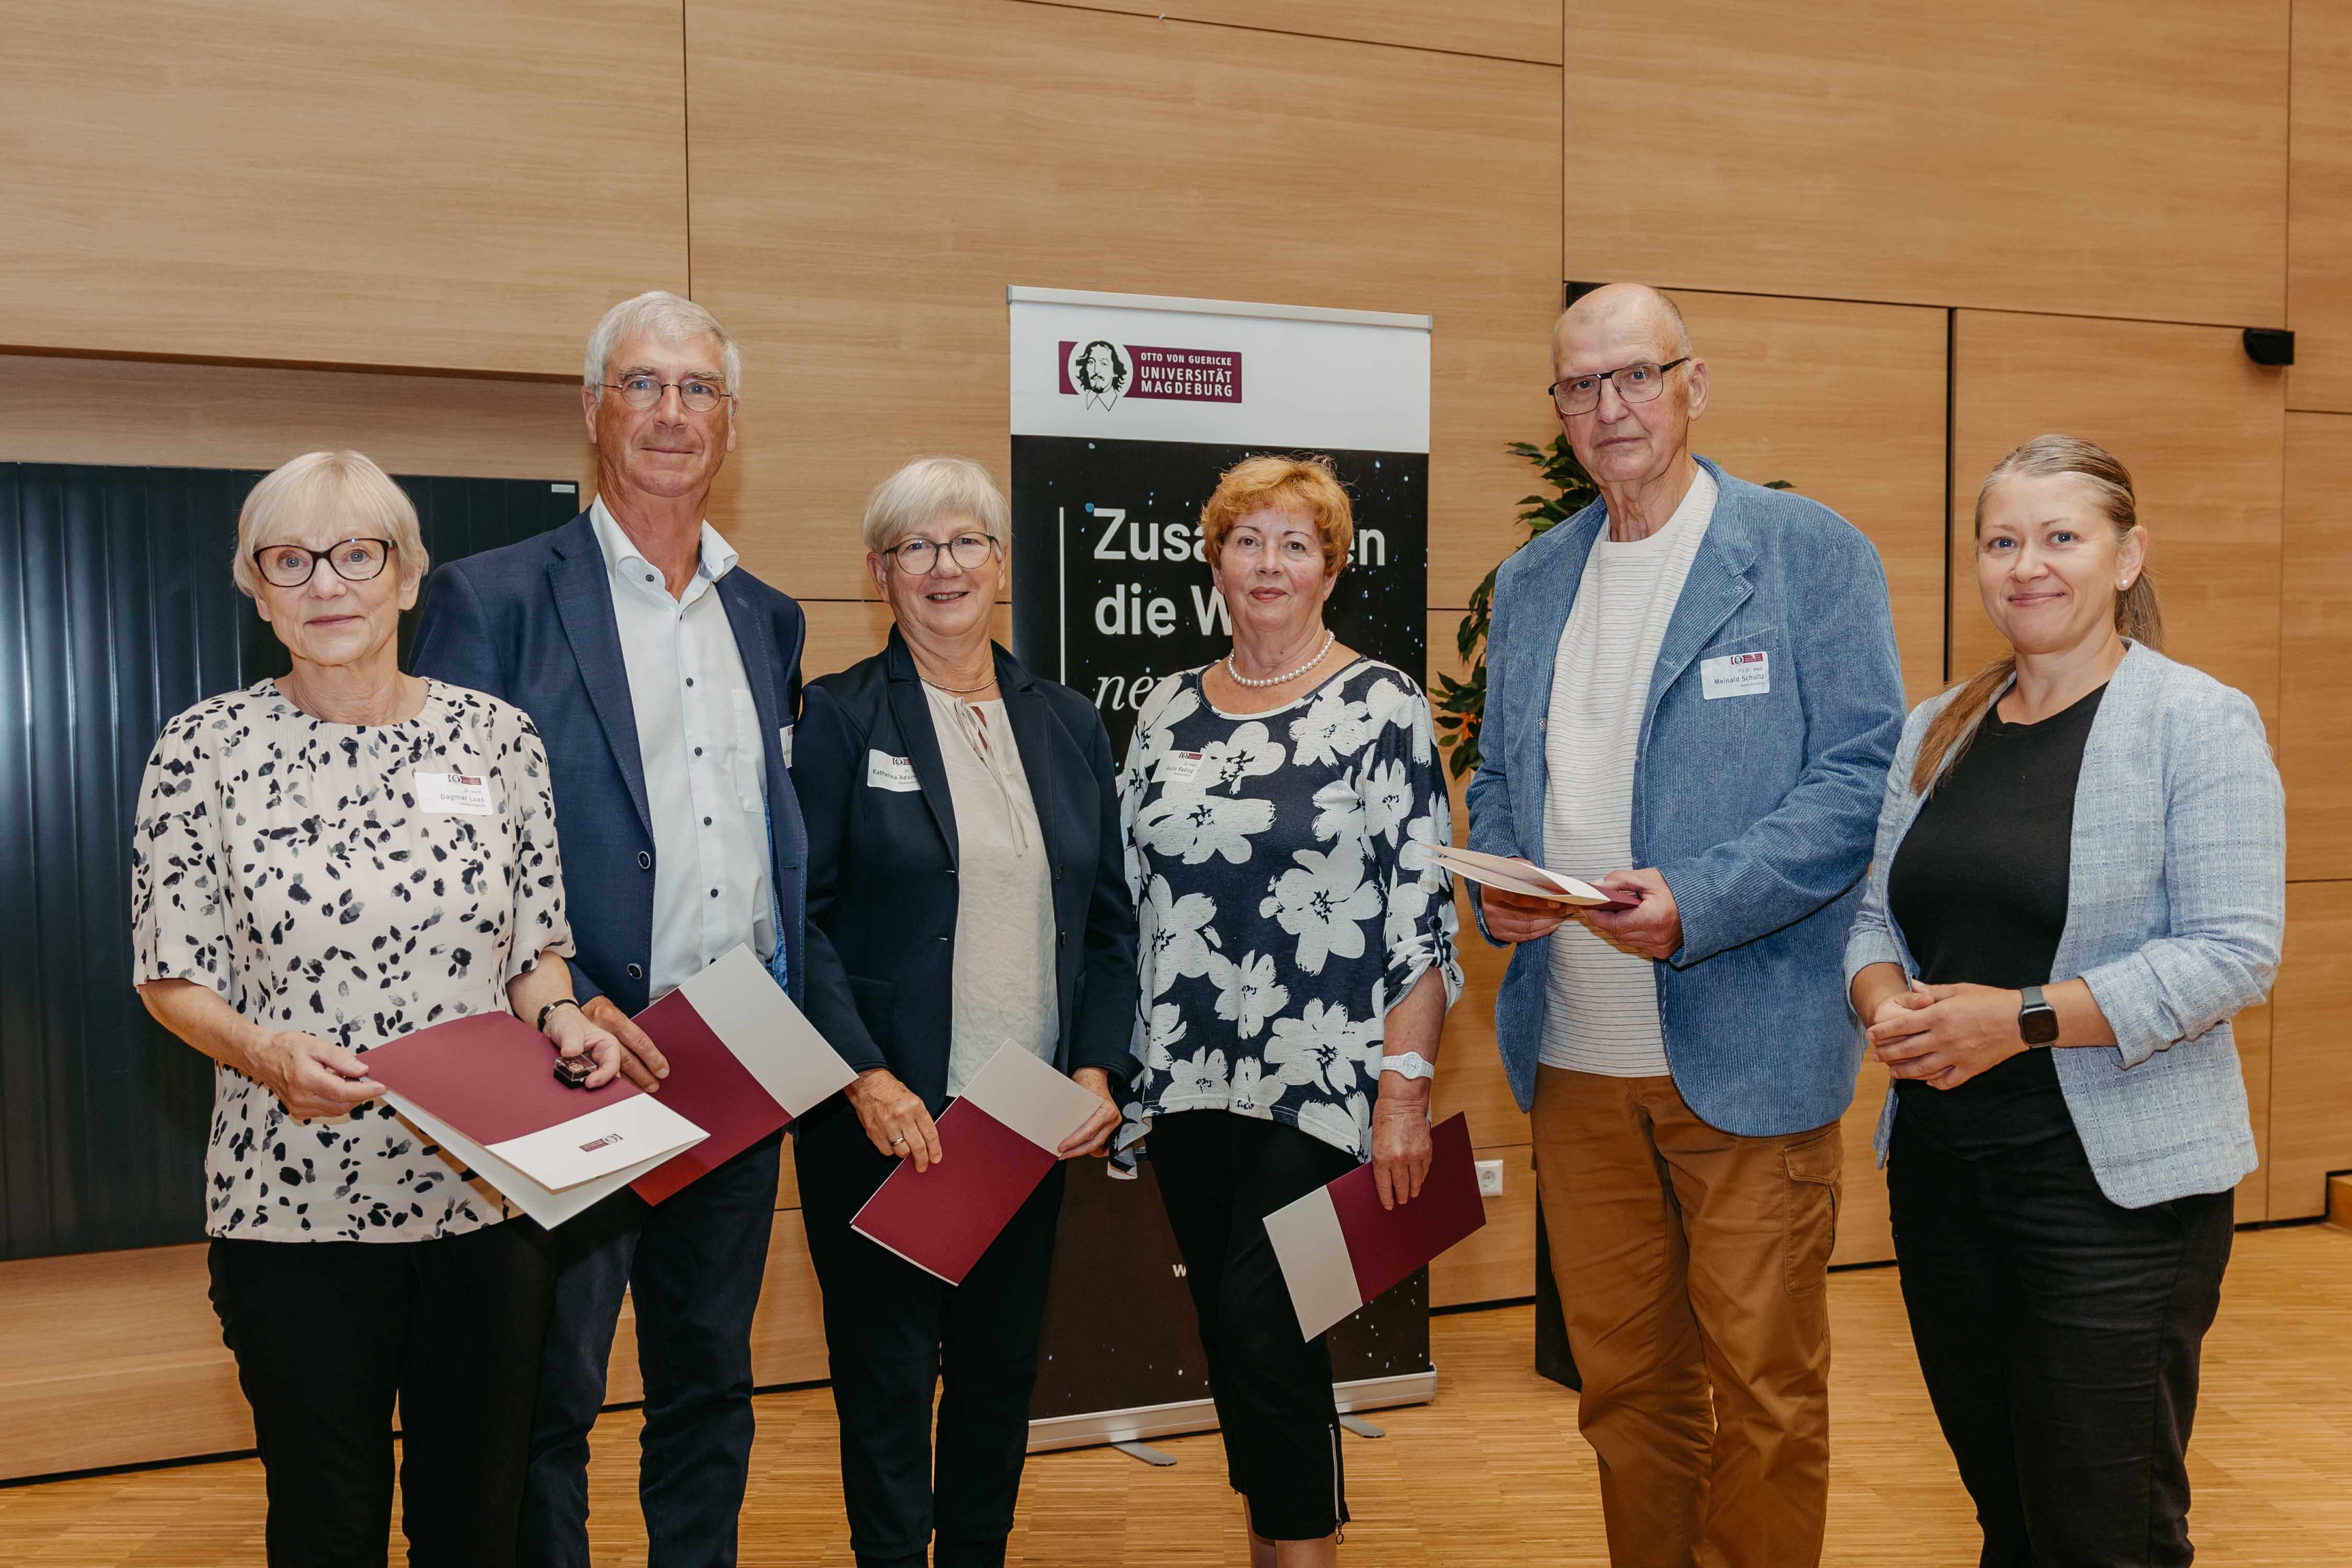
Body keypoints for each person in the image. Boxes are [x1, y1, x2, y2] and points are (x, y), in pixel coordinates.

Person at [1464, 283, 1904, 1568]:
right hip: (1577, 1060)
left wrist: (1700, 900)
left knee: (1766, 1394)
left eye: (1636, 376)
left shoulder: (1807, 553)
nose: (1610, 407)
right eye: (1580, 386)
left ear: (1693, 384)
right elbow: (1500, 773)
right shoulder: (1532, 581)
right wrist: (1504, 876)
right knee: (1626, 1396)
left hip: (1749, 1051)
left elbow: (1860, 780)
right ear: (1558, 412)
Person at [410, 291, 841, 1568]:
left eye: (697, 388)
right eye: (642, 383)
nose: (670, 412)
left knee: (709, 1383)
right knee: (551, 1393)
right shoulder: (492, 599)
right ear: (592, 409)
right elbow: (458, 856)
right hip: (575, 1047)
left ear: (730, 422)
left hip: (735, 1051)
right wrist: (563, 1003)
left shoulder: (767, 615)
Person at [130, 451, 621, 1567]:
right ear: (256, 590)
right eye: (290, 561)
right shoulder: (201, 749)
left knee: (476, 1527)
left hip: (486, 1207)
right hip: (291, 1213)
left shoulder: (499, 740)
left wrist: (564, 1021)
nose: (327, 584)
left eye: (358, 554)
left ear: (407, 577)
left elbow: (535, 955)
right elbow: (170, 974)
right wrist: (264, 1051)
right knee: (326, 1528)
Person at [1847, 435, 2282, 1567]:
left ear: (2126, 558)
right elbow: (1874, 919)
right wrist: (1884, 1002)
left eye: (2060, 537)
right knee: (2009, 1517)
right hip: (1944, 1183)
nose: (2026, 565)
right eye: (2002, 541)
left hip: (2117, 1199)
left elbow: (2235, 952)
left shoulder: (2198, 720)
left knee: (2106, 1535)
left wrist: (2019, 1019)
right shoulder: (1936, 727)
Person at [790, 456, 1138, 1568]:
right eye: (916, 547)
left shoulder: (1069, 722)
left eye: (965, 542)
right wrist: (864, 1078)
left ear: (1000, 561)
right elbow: (800, 919)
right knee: (888, 1383)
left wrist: (1096, 1069)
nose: (944, 567)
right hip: (887, 1116)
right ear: (880, 573)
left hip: (1022, 1113)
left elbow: (1109, 922)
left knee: (998, 1375)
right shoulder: (840, 716)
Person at [1115, 454, 1461, 1567]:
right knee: (1237, 1330)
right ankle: (1283, 1539)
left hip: (1321, 1072)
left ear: (1331, 568)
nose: (1270, 564)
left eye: (1296, 544)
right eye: (1248, 541)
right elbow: (1126, 896)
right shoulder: (1167, 709)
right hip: (1183, 1069)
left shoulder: (1381, 705)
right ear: (1215, 563)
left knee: (1265, 1318)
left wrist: (1404, 1095)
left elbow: (1421, 915)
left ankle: (1302, 1545)